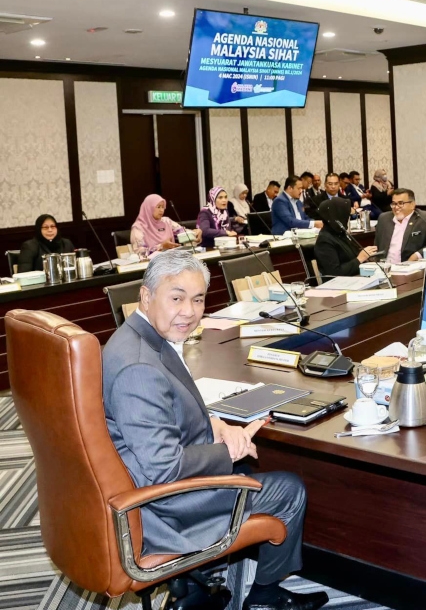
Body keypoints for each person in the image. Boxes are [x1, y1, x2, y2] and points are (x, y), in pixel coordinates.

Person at [102, 249, 329, 610]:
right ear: (146, 296)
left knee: (246, 472)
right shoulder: (139, 367)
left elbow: (165, 409)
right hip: (164, 506)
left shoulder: (137, 337)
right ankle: (265, 596)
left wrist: (216, 424)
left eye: (197, 299)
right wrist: (230, 451)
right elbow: (163, 467)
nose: (189, 311)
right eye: (176, 298)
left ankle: (198, 583)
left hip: (149, 478)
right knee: (289, 489)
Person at [374, 188, 426, 264]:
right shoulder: (383, 218)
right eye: (394, 204)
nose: (396, 207)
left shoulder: (425, 218)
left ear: (412, 204)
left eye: (400, 203)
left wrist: (417, 255)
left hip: (409, 267)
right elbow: (376, 247)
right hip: (384, 267)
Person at [314, 198, 378, 278]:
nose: (347, 219)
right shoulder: (324, 241)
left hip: (355, 278)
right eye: (346, 215)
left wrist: (366, 255)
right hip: (338, 286)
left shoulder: (340, 233)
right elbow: (334, 272)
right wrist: (360, 259)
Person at [130, 194, 200, 254]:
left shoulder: (167, 221)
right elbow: (139, 252)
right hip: (151, 266)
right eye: (158, 207)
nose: (161, 210)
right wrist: (161, 246)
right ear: (148, 208)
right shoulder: (138, 228)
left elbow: (182, 232)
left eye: (163, 207)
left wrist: (195, 233)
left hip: (171, 261)